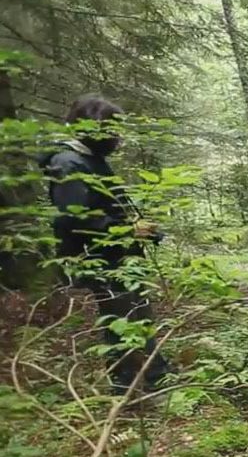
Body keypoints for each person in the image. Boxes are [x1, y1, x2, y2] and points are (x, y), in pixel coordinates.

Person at [40, 94, 170, 395]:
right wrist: (127, 229)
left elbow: (106, 207)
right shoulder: (68, 163)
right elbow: (73, 218)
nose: (117, 138)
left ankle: (155, 373)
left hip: (120, 255)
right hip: (103, 258)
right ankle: (125, 388)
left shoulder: (89, 159)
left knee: (139, 313)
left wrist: (141, 230)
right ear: (93, 129)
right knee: (119, 320)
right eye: (112, 131)